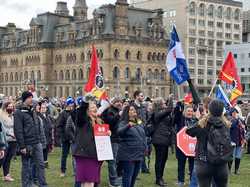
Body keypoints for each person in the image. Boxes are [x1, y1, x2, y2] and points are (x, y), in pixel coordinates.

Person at [186, 99, 231, 187]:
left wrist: (198, 119)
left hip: (203, 162)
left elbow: (189, 131)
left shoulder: (203, 124)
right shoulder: (226, 125)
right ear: (222, 111)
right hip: (221, 163)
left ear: (209, 110)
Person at [14, 91, 48, 187]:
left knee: (41, 165)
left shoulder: (33, 110)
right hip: (27, 144)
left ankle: (43, 184)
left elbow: (37, 125)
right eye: (30, 97)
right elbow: (18, 130)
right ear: (25, 99)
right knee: (26, 166)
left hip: (37, 142)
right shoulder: (18, 112)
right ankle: (26, 184)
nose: (31, 99)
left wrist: (41, 141)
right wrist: (22, 146)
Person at [73, 96, 104, 187]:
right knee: (88, 182)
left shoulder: (99, 121)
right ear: (87, 110)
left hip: (95, 155)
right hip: (85, 155)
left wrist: (107, 133)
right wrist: (85, 102)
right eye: (92, 107)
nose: (95, 109)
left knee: (91, 182)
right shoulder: (83, 120)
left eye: (95, 107)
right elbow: (81, 113)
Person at [117, 104, 146, 187]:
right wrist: (128, 125)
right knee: (128, 177)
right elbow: (119, 132)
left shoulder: (139, 122)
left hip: (139, 154)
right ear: (127, 112)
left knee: (134, 177)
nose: (134, 111)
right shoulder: (123, 122)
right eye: (131, 110)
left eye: (134, 110)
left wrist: (145, 148)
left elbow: (143, 135)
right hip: (128, 155)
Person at [151, 98, 173, 186]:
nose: (165, 103)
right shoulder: (157, 113)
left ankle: (160, 177)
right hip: (159, 139)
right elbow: (169, 110)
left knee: (164, 159)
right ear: (160, 104)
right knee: (159, 160)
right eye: (164, 102)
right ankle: (158, 179)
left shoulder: (162, 112)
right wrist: (171, 99)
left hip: (165, 138)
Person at [101, 97, 123, 187]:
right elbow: (110, 122)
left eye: (120, 102)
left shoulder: (117, 111)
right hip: (111, 138)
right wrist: (118, 116)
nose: (119, 103)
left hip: (117, 138)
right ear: (113, 103)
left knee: (114, 160)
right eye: (117, 102)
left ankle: (115, 178)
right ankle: (113, 181)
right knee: (112, 161)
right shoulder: (110, 111)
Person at [174, 104, 196, 187]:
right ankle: (181, 181)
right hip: (181, 146)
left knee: (192, 165)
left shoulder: (195, 121)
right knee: (181, 164)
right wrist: (178, 105)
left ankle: (192, 181)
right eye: (188, 111)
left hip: (192, 147)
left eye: (191, 111)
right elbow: (176, 114)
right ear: (185, 112)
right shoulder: (181, 119)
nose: (190, 113)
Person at [57, 96, 75, 177]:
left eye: (72, 104)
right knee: (64, 155)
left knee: (75, 155)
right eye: (70, 104)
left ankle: (75, 171)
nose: (72, 106)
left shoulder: (75, 113)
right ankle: (63, 171)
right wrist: (62, 135)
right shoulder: (63, 114)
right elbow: (59, 126)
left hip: (74, 137)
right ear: (67, 104)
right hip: (65, 138)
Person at [0, 101, 17, 182]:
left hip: (13, 140)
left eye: (12, 106)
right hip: (5, 139)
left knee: (8, 159)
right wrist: (10, 134)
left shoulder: (13, 116)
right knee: (2, 158)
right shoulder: (1, 116)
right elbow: (2, 129)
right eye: (9, 106)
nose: (10, 108)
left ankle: (6, 175)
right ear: (5, 107)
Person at [133, 91, 148, 173]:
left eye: (143, 96)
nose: (142, 97)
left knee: (144, 148)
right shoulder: (132, 106)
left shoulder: (143, 107)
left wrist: (145, 124)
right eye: (141, 96)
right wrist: (140, 124)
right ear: (136, 96)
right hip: (135, 130)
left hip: (143, 130)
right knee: (136, 149)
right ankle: (136, 169)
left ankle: (143, 167)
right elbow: (132, 118)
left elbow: (146, 117)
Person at [228, 108, 246, 175]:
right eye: (234, 112)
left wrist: (243, 139)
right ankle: (229, 171)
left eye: (236, 112)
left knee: (238, 156)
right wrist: (237, 121)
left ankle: (236, 170)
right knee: (231, 156)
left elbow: (242, 130)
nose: (235, 114)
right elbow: (231, 126)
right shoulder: (230, 120)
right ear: (231, 113)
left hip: (239, 141)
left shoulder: (239, 120)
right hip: (232, 141)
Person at [38, 101, 53, 168]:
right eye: (42, 108)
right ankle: (41, 163)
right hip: (42, 136)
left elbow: (50, 125)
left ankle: (45, 163)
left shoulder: (47, 116)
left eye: (45, 108)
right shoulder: (39, 116)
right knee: (42, 151)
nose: (44, 109)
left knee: (46, 150)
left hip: (48, 136)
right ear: (40, 109)